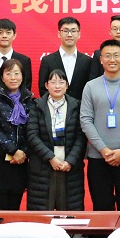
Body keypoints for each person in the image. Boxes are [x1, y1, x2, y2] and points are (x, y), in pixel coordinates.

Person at [80, 39, 120, 211]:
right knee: (102, 208)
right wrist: (103, 149)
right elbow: (85, 120)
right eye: (107, 56)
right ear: (100, 59)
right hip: (98, 157)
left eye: (116, 55)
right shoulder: (90, 86)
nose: (112, 59)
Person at [27, 69, 87, 211]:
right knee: (42, 214)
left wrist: (70, 161)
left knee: (69, 213)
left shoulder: (76, 106)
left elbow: (81, 136)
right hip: (43, 167)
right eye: (53, 82)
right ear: (46, 85)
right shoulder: (37, 106)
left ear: (67, 85)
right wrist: (50, 158)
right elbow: (32, 135)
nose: (57, 86)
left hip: (70, 168)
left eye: (61, 82)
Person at [0, 59, 34, 210]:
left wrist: (23, 152)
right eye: (8, 73)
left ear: (22, 76)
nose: (13, 77)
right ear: (2, 77)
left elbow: (32, 131)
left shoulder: (30, 100)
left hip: (19, 162)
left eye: (17, 73)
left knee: (14, 211)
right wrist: (13, 150)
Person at [39, 17, 92, 100]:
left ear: (79, 34)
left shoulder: (87, 61)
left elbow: (90, 89)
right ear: (59, 34)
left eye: (73, 31)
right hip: (55, 106)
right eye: (65, 31)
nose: (69, 35)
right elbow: (43, 88)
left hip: (81, 107)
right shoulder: (47, 60)